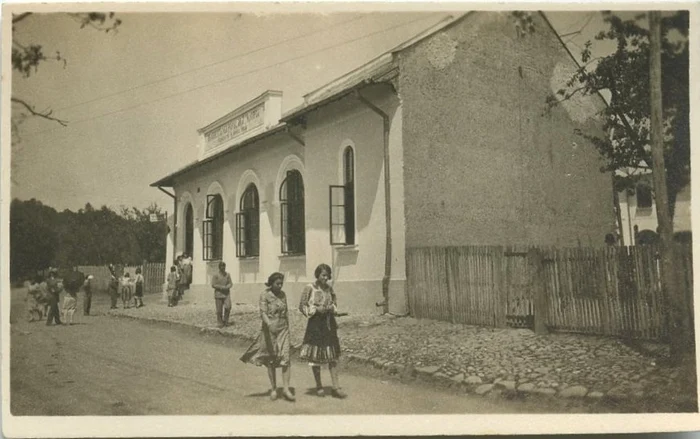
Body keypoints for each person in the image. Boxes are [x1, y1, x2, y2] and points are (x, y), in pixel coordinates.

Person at [240, 272, 295, 402]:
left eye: (281, 283)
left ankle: (286, 389)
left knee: (286, 358)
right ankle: (274, 388)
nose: (280, 286)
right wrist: (269, 324)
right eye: (277, 284)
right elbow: (263, 313)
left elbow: (286, 312)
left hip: (283, 329)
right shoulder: (264, 295)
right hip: (269, 330)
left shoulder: (283, 295)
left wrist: (288, 327)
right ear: (271, 283)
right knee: (271, 359)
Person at [298, 263, 347, 399]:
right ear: (317, 275)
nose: (325, 278)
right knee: (316, 356)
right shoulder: (310, 288)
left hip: (328, 324)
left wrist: (332, 308)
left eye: (327, 275)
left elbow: (335, 303)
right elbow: (302, 305)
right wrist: (314, 310)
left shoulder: (329, 289)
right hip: (315, 325)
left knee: (332, 356)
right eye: (323, 275)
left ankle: (336, 387)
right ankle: (319, 385)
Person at [211, 261, 233, 328]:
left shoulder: (227, 275)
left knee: (228, 307)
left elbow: (230, 283)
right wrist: (221, 287)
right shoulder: (216, 275)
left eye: (224, 267)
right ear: (219, 267)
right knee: (219, 310)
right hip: (218, 294)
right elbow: (213, 284)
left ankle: (226, 321)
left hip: (226, 294)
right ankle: (220, 322)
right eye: (221, 267)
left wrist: (228, 286)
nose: (223, 268)